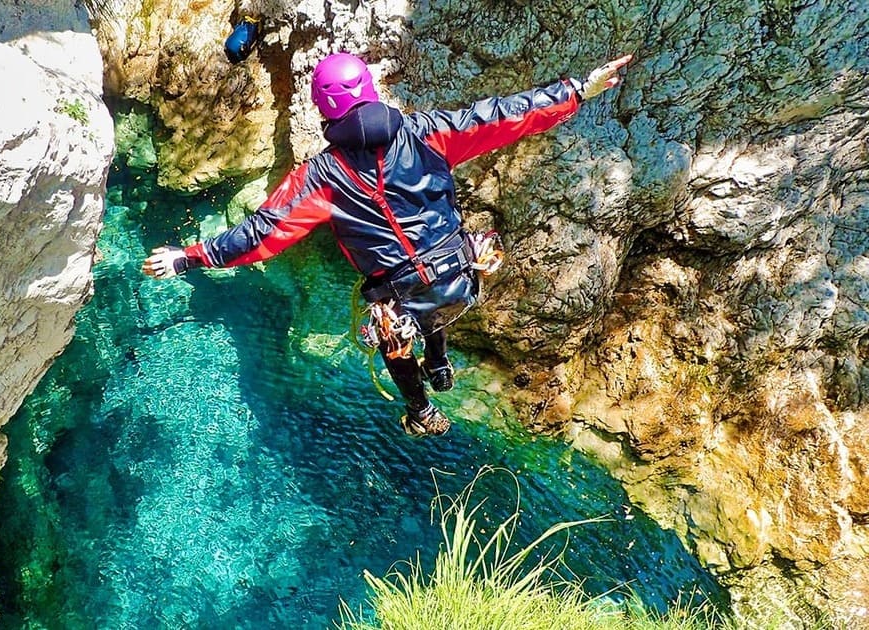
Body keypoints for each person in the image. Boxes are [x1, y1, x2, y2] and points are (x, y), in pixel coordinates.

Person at [143, 52, 632, 437]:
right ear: (371, 92)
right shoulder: (429, 133)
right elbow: (503, 115)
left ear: (323, 109)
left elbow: (262, 235)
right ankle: (440, 362)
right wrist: (578, 90)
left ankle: (420, 409)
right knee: (430, 297)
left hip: (404, 300)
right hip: (463, 278)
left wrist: (188, 257)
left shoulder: (320, 177)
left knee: (395, 325)